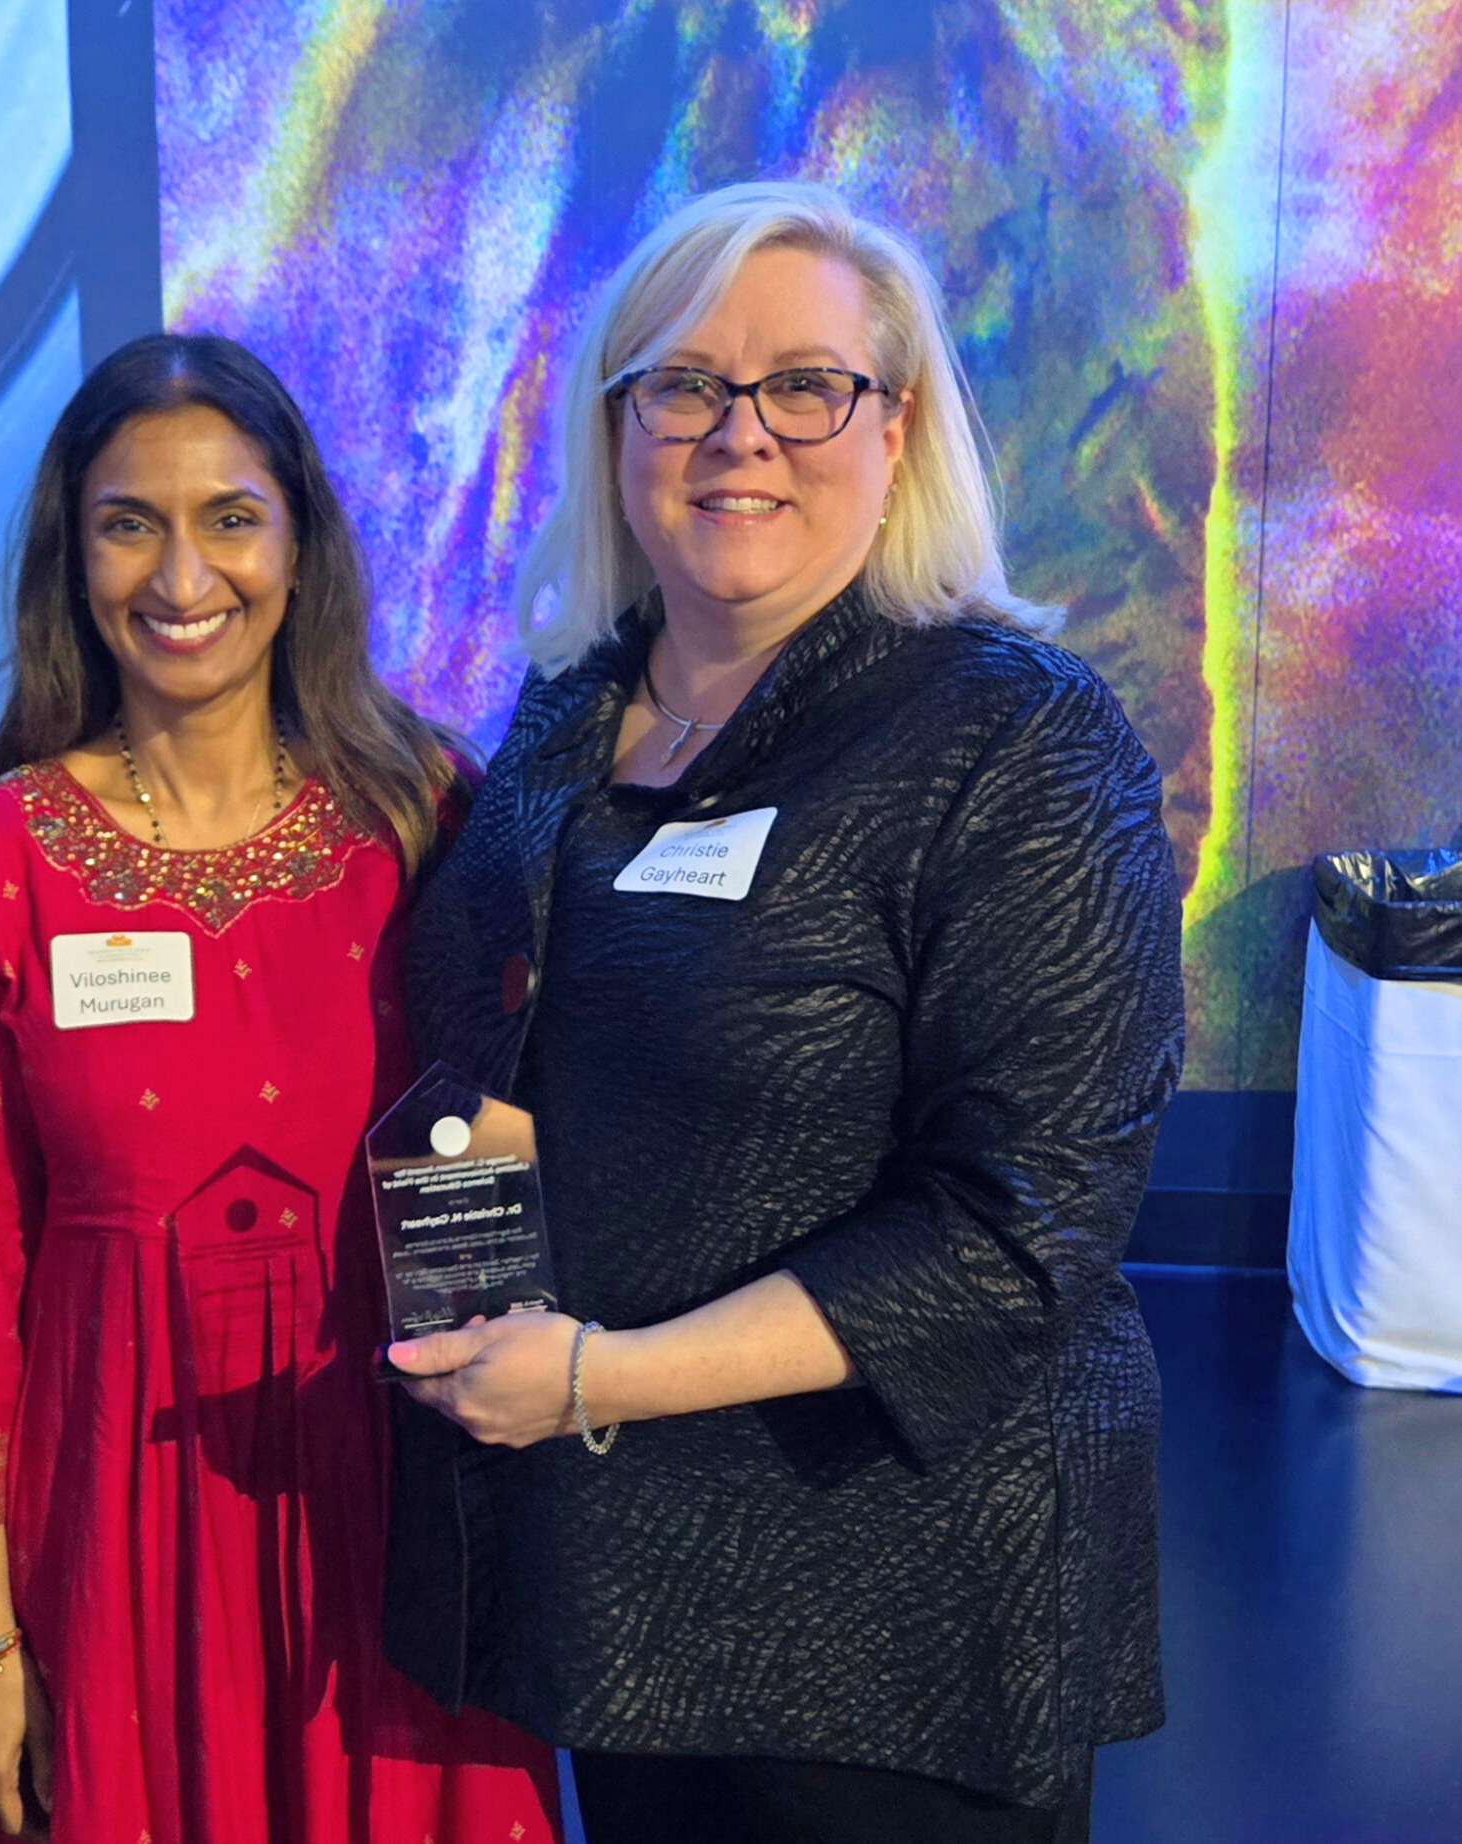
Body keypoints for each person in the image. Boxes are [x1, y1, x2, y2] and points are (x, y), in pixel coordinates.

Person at [384, 180, 1183, 1843]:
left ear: (895, 431)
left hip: (895, 1610)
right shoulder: (565, 722)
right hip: (614, 1582)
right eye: (683, 384)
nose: (739, 434)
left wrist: (599, 1373)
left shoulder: (1013, 740)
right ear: (617, 430)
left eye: (804, 384)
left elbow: (1021, 1231)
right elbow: (504, 1050)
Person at [0, 333, 562, 1842]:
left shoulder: (421, 814)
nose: (179, 573)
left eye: (228, 518)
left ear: (298, 542)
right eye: (129, 522)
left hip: (389, 1491)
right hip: (113, 1499)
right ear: (73, 555)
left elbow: (502, 1172)